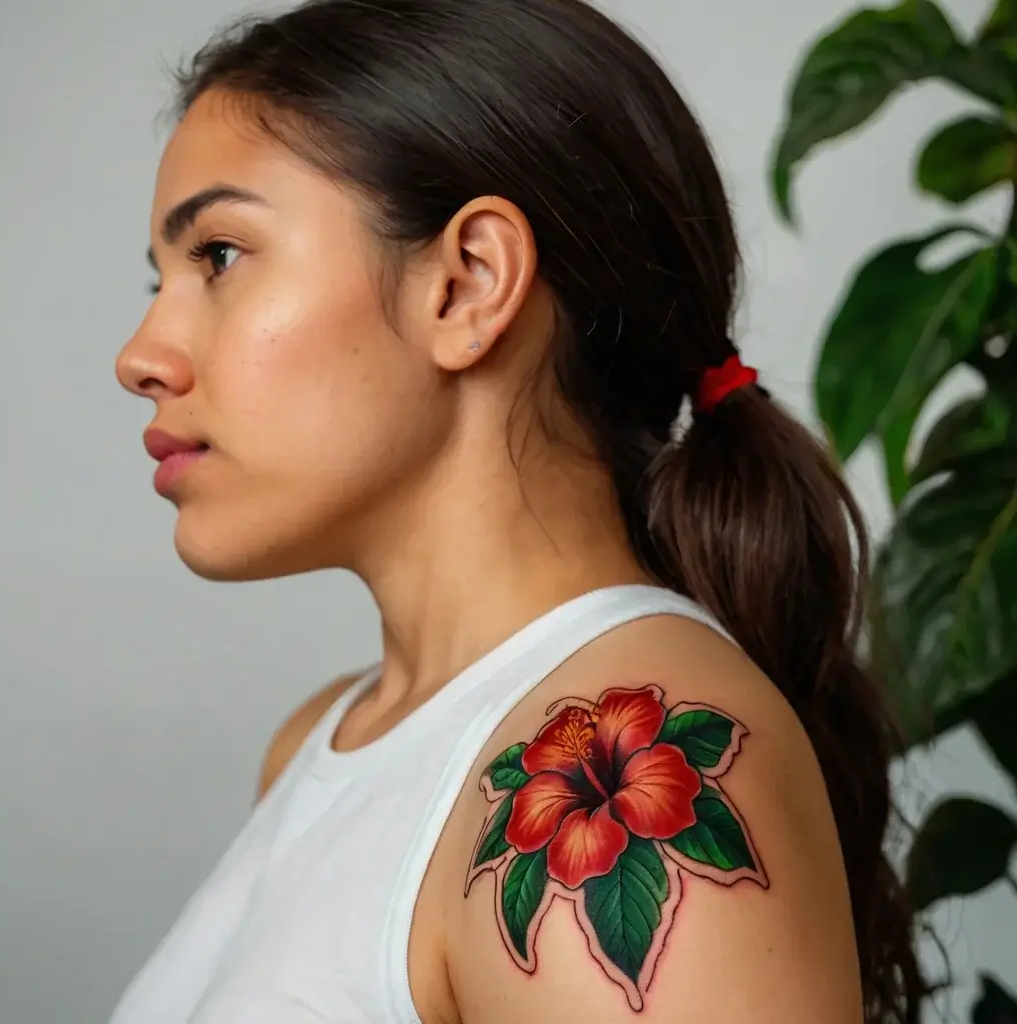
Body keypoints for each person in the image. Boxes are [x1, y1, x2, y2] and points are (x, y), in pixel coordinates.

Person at [110, 0, 924, 1021]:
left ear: (467, 283)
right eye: (161, 278)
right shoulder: (321, 744)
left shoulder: (629, 760)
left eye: (219, 258)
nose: (141, 355)